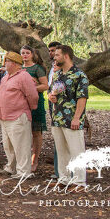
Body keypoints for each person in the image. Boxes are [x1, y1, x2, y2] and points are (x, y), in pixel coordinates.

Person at [48, 44, 89, 188]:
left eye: (57, 55)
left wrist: (77, 117)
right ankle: (63, 179)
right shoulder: (57, 74)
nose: (54, 57)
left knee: (76, 151)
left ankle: (79, 182)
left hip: (72, 118)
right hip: (57, 117)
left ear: (66, 56)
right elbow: (50, 91)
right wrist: (51, 96)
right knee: (61, 151)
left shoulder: (79, 75)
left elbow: (82, 98)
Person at [0, 51, 39, 179]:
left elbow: (32, 95)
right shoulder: (5, 77)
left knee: (21, 145)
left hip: (18, 115)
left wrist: (30, 108)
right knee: (8, 145)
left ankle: (23, 171)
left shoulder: (24, 76)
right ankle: (11, 167)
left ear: (14, 63)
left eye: (6, 61)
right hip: (4, 115)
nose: (4, 64)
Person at [21, 45, 48, 172]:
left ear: (32, 54)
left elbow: (45, 85)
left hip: (36, 103)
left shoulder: (37, 68)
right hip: (21, 104)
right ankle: (23, 159)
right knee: (23, 132)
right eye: (22, 53)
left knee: (36, 132)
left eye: (27, 53)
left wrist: (31, 89)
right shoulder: (19, 68)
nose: (25, 55)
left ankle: (34, 160)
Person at [47, 40, 62, 179]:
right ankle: (58, 171)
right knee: (57, 137)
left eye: (55, 51)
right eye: (50, 51)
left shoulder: (65, 70)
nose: (52, 54)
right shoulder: (52, 68)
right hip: (52, 104)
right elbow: (50, 85)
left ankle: (63, 172)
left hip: (63, 107)